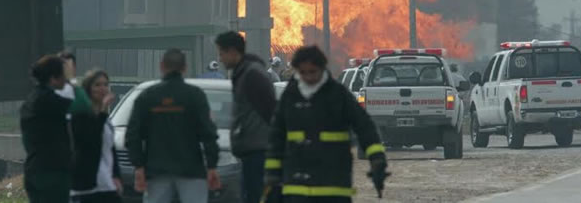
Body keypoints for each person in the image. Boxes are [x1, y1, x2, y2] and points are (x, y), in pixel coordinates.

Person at [264, 46, 388, 203]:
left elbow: (365, 127)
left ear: (322, 69)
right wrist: (272, 175)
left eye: (313, 72)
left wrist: (377, 159)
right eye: (302, 72)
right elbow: (276, 137)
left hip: (333, 187)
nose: (308, 77)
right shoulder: (290, 96)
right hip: (296, 188)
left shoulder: (338, 95)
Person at [125, 49, 222, 203]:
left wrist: (139, 166)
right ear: (185, 68)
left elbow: (132, 135)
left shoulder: (147, 96)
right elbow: (208, 133)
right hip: (191, 170)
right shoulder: (195, 96)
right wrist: (212, 166)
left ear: (162, 66)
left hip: (156, 171)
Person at [214, 31, 276, 203]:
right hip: (251, 151)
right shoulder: (243, 73)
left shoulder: (252, 75)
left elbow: (271, 112)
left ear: (233, 52)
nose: (220, 59)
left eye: (221, 53)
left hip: (259, 151)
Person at [20, 55, 74, 203]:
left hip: (34, 169)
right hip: (52, 173)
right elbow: (80, 106)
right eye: (64, 75)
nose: (66, 79)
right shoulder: (50, 101)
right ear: (53, 78)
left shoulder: (30, 100)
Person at [71, 69, 123, 203]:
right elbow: (89, 140)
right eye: (98, 85)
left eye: (106, 84)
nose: (103, 88)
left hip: (107, 182)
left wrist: (116, 175)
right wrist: (103, 110)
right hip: (87, 183)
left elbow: (110, 148)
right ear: (88, 88)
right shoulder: (81, 114)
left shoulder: (105, 119)